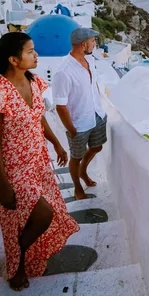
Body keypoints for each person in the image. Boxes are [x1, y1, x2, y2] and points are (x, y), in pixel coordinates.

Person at [0, 32, 79, 291]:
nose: (36, 55)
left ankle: (23, 259)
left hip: (38, 162)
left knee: (37, 216)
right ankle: (18, 262)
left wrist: (54, 142)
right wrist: (4, 185)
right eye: (30, 51)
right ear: (13, 59)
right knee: (43, 215)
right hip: (14, 170)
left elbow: (37, 116)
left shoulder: (34, 82)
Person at [52, 27, 107, 201]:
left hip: (96, 114)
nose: (95, 44)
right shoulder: (64, 71)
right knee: (76, 157)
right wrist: (72, 130)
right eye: (93, 41)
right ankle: (77, 188)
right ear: (84, 44)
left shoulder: (88, 60)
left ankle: (83, 171)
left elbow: (93, 85)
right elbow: (60, 106)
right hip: (78, 123)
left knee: (97, 146)